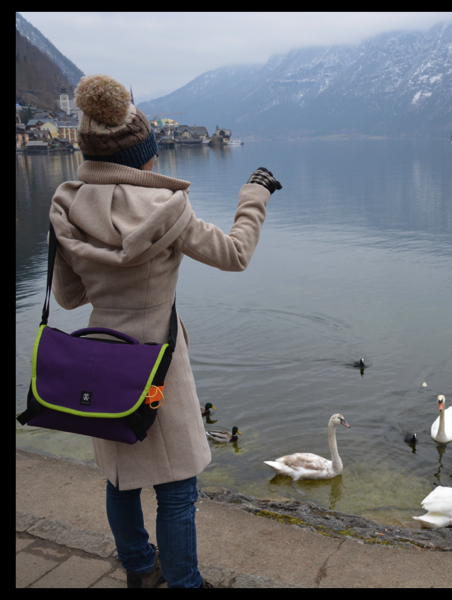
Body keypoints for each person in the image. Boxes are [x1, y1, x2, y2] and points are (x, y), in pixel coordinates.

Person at [48, 74, 282, 588]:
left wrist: (109, 280)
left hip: (101, 364)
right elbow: (236, 254)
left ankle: (139, 571)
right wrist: (253, 195)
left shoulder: (66, 207)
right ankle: (185, 583)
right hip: (158, 368)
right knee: (177, 489)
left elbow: (69, 297)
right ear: (143, 156)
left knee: (120, 479)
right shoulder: (167, 209)